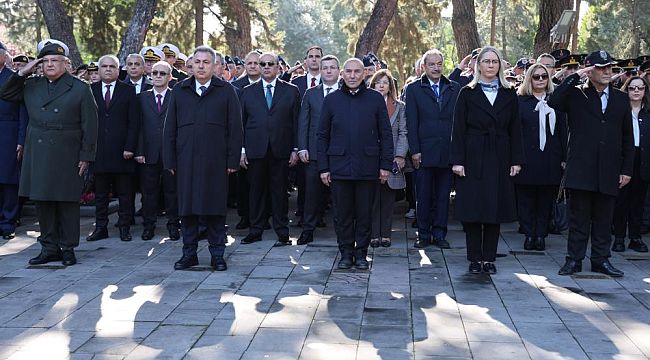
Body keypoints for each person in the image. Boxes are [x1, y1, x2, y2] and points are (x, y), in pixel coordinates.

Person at [0, 42, 98, 266]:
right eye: (45, 61)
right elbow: (5, 93)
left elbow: (90, 125)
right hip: (39, 150)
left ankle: (68, 248)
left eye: (55, 60)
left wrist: (86, 155)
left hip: (68, 151)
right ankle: (48, 248)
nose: (50, 64)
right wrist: (22, 71)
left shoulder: (80, 88)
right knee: (42, 201)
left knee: (67, 202)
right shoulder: (32, 85)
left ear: (66, 64)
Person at [549, 50, 635, 277]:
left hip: (609, 169)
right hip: (581, 167)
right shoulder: (576, 95)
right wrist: (576, 75)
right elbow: (553, 100)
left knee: (604, 219)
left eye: (610, 67)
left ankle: (601, 259)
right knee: (579, 218)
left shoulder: (620, 98)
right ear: (589, 70)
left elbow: (627, 136)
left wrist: (626, 169)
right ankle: (574, 260)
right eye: (601, 67)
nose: (607, 71)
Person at [163, 46, 243, 271]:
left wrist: (232, 161)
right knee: (187, 210)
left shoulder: (226, 90)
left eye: (206, 62)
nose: (200, 66)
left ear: (214, 65)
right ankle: (189, 254)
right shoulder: (180, 90)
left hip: (215, 162)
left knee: (215, 210)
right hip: (185, 160)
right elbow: (170, 128)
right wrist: (169, 161)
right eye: (197, 62)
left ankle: (217, 255)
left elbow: (235, 129)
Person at [450, 46, 525, 275]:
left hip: (500, 155)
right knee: (474, 208)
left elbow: (516, 129)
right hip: (473, 154)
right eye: (486, 61)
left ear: (500, 65)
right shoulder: (467, 92)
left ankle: (489, 258)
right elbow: (458, 129)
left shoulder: (509, 93)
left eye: (495, 61)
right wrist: (457, 160)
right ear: (478, 65)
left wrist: (516, 160)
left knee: (494, 208)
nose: (491, 65)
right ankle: (474, 257)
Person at [318, 58, 393, 270]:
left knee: (364, 214)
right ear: (342, 73)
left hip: (368, 167)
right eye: (348, 71)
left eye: (356, 72)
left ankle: (361, 254)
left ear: (364, 74)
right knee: (342, 215)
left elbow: (385, 134)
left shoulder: (375, 99)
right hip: (339, 167)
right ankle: (345, 253)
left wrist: (385, 165)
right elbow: (322, 135)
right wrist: (324, 167)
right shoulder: (331, 100)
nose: (352, 76)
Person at [239, 52, 300, 247]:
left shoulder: (291, 91)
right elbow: (241, 123)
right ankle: (255, 230)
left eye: (270, 64)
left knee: (279, 193)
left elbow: (296, 122)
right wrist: (241, 150)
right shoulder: (247, 91)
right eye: (262, 63)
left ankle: (282, 231)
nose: (265, 67)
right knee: (255, 192)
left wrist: (295, 149)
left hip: (281, 150)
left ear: (277, 67)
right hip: (255, 150)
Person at [405, 49, 461, 249]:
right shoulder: (413, 89)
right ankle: (423, 234)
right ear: (424, 66)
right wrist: (415, 151)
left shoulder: (454, 88)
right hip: (424, 152)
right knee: (423, 196)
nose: (436, 68)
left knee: (443, 197)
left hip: (447, 152)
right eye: (432, 64)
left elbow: (458, 123)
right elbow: (411, 122)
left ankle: (439, 233)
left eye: (439, 64)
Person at [514, 63, 567, 251]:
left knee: (546, 201)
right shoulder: (520, 101)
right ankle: (529, 234)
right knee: (526, 200)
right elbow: (515, 132)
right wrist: (515, 159)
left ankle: (541, 235)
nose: (540, 80)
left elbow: (563, 130)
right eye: (536, 77)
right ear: (529, 79)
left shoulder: (556, 101)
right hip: (527, 158)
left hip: (550, 158)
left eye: (544, 76)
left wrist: (564, 158)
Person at [86, 55, 140, 242]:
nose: (108, 69)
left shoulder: (128, 91)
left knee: (125, 193)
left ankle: (124, 227)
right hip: (99, 151)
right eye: (104, 66)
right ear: (98, 70)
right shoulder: (90, 90)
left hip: (122, 152)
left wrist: (130, 147)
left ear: (119, 70)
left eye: (112, 66)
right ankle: (101, 228)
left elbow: (134, 123)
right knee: (100, 194)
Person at [296, 55, 340, 245]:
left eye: (332, 67)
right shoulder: (310, 93)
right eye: (325, 68)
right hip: (314, 152)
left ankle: (343, 232)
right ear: (320, 71)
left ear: (339, 71)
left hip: (339, 153)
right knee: (311, 194)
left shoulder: (346, 93)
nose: (328, 71)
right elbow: (303, 123)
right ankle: (308, 230)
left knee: (340, 195)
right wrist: (302, 147)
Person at [135, 61, 180, 241]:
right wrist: (138, 151)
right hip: (148, 153)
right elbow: (136, 127)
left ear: (170, 77)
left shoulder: (176, 96)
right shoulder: (142, 98)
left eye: (162, 73)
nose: (158, 76)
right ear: (150, 76)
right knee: (148, 192)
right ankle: (148, 226)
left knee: (172, 192)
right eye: (155, 73)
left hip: (171, 153)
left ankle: (173, 225)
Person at [369, 69, 408, 248]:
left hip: (392, 157)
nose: (381, 85)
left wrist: (400, 155)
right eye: (378, 82)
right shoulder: (366, 103)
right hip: (371, 156)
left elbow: (403, 132)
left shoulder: (399, 106)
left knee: (388, 198)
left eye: (385, 82)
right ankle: (373, 234)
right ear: (373, 84)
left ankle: (386, 234)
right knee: (372, 198)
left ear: (390, 86)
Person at [612, 76, 650, 253]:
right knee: (621, 202)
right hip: (622, 161)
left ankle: (635, 237)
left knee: (638, 203)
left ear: (645, 91)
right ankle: (619, 237)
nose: (636, 91)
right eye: (632, 88)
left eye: (640, 88)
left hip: (643, 161)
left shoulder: (648, 112)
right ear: (626, 90)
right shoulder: (619, 111)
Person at [0, 42, 28, 240]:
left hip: (9, 133)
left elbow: (23, 112)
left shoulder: (14, 78)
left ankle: (8, 222)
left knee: (9, 180)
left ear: (4, 56)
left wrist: (21, 140)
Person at [231, 51, 262, 230]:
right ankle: (245, 216)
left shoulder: (269, 85)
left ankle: (262, 217)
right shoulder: (237, 87)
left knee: (261, 184)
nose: (252, 66)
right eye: (248, 63)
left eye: (256, 63)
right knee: (243, 183)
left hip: (262, 143)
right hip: (243, 142)